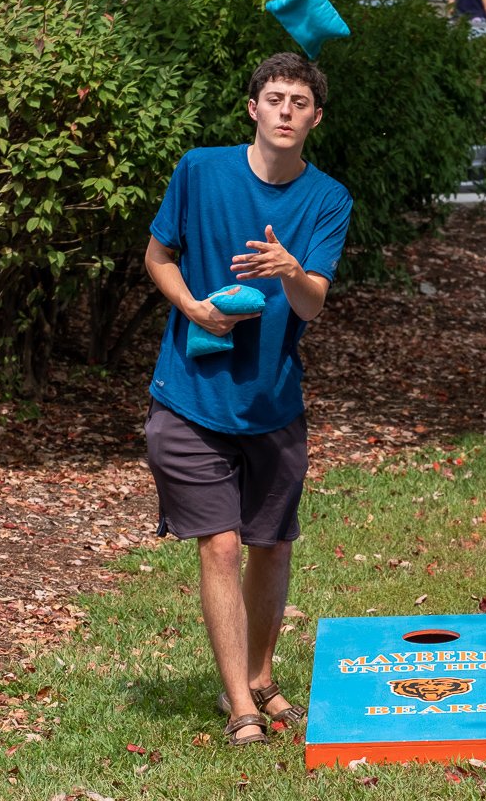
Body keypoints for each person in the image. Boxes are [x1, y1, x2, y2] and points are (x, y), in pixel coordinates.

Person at [143, 52, 352, 746]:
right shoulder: (200, 171)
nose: (286, 110)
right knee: (223, 544)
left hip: (272, 403)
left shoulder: (327, 198)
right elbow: (158, 255)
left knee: (272, 545)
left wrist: (292, 267)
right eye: (275, 98)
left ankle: (261, 674)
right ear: (253, 109)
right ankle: (240, 706)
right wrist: (193, 310)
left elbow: (312, 305)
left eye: (299, 101)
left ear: (316, 119)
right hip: (191, 397)